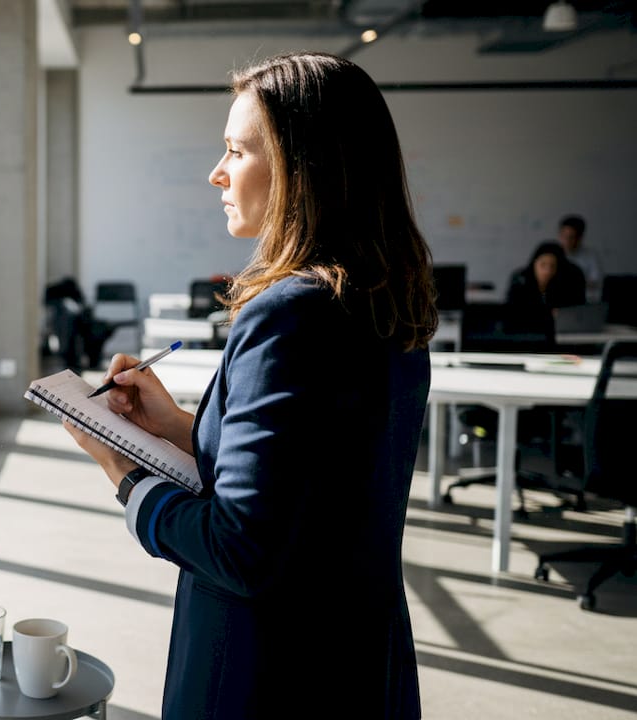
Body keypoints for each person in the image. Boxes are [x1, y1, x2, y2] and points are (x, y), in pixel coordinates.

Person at [62, 52, 436, 719]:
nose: (217, 173)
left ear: (303, 168)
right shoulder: (386, 306)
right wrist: (176, 426)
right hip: (357, 659)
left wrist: (125, 472)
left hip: (266, 674)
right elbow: (317, 480)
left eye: (236, 150)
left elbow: (241, 550)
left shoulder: (290, 313)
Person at [505, 240, 586, 312]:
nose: (547, 271)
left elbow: (576, 311)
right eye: (543, 265)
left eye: (553, 266)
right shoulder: (520, 280)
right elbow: (511, 311)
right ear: (534, 264)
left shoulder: (569, 283)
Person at [556, 214, 602, 301]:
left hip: (586, 303)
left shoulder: (591, 256)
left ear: (580, 237)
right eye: (564, 236)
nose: (567, 241)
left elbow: (595, 282)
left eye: (571, 237)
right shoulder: (552, 255)